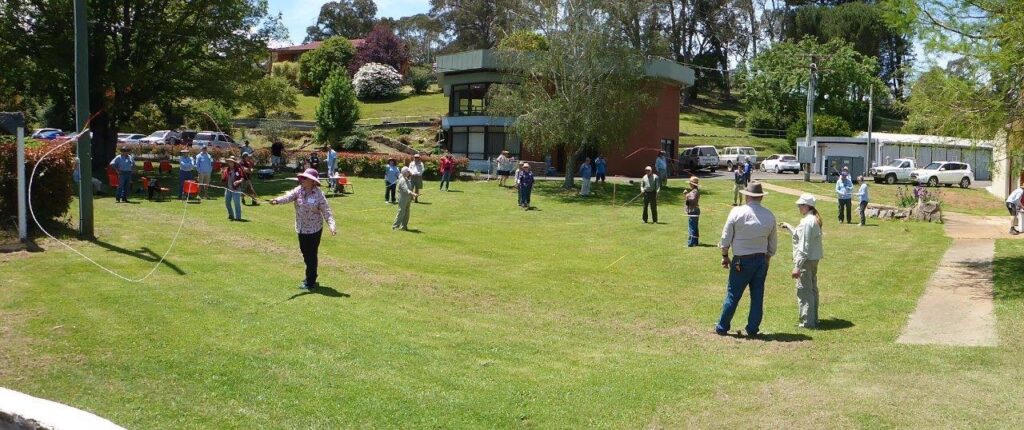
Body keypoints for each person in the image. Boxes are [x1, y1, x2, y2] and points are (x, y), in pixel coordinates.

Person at [716, 182, 778, 337]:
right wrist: (768, 257)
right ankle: (752, 329)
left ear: (746, 196)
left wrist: (724, 255)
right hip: (760, 259)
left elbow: (725, 237)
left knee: (733, 294)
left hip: (741, 260)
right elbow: (773, 242)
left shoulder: (737, 212)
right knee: (757, 296)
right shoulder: (769, 215)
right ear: (761, 197)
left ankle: (723, 326)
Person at [270, 168, 337, 290]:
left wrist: (332, 226)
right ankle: (312, 274)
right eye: (302, 177)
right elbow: (288, 197)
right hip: (301, 228)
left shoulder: (318, 195)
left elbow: (326, 211)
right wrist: (277, 200)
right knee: (305, 253)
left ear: (312, 181)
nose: (302, 179)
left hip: (314, 230)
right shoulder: (299, 190)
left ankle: (310, 280)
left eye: (305, 178)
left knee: (311, 254)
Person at [779, 193, 824, 329]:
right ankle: (813, 319)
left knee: (804, 290)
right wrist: (789, 227)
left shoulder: (807, 222)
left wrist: (797, 266)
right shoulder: (812, 220)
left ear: (807, 206)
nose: (799, 207)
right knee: (812, 289)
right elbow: (801, 237)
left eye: (800, 205)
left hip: (806, 260)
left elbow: (804, 246)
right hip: (813, 259)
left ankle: (807, 322)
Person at [222, 156, 244, 221]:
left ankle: (238, 217)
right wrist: (222, 174)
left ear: (234, 163)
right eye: (229, 162)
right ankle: (231, 215)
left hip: (236, 189)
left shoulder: (238, 170)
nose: (230, 163)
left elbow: (242, 178)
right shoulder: (226, 170)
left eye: (231, 162)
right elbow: (223, 179)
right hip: (228, 189)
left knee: (237, 203)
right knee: (227, 202)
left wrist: (238, 181)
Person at [686, 176, 701, 247]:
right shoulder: (694, 191)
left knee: (692, 227)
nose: (689, 184)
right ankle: (695, 242)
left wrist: (686, 195)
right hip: (693, 210)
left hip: (693, 210)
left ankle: (691, 243)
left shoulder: (695, 191)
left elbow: (692, 199)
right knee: (694, 226)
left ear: (693, 184)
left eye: (690, 183)